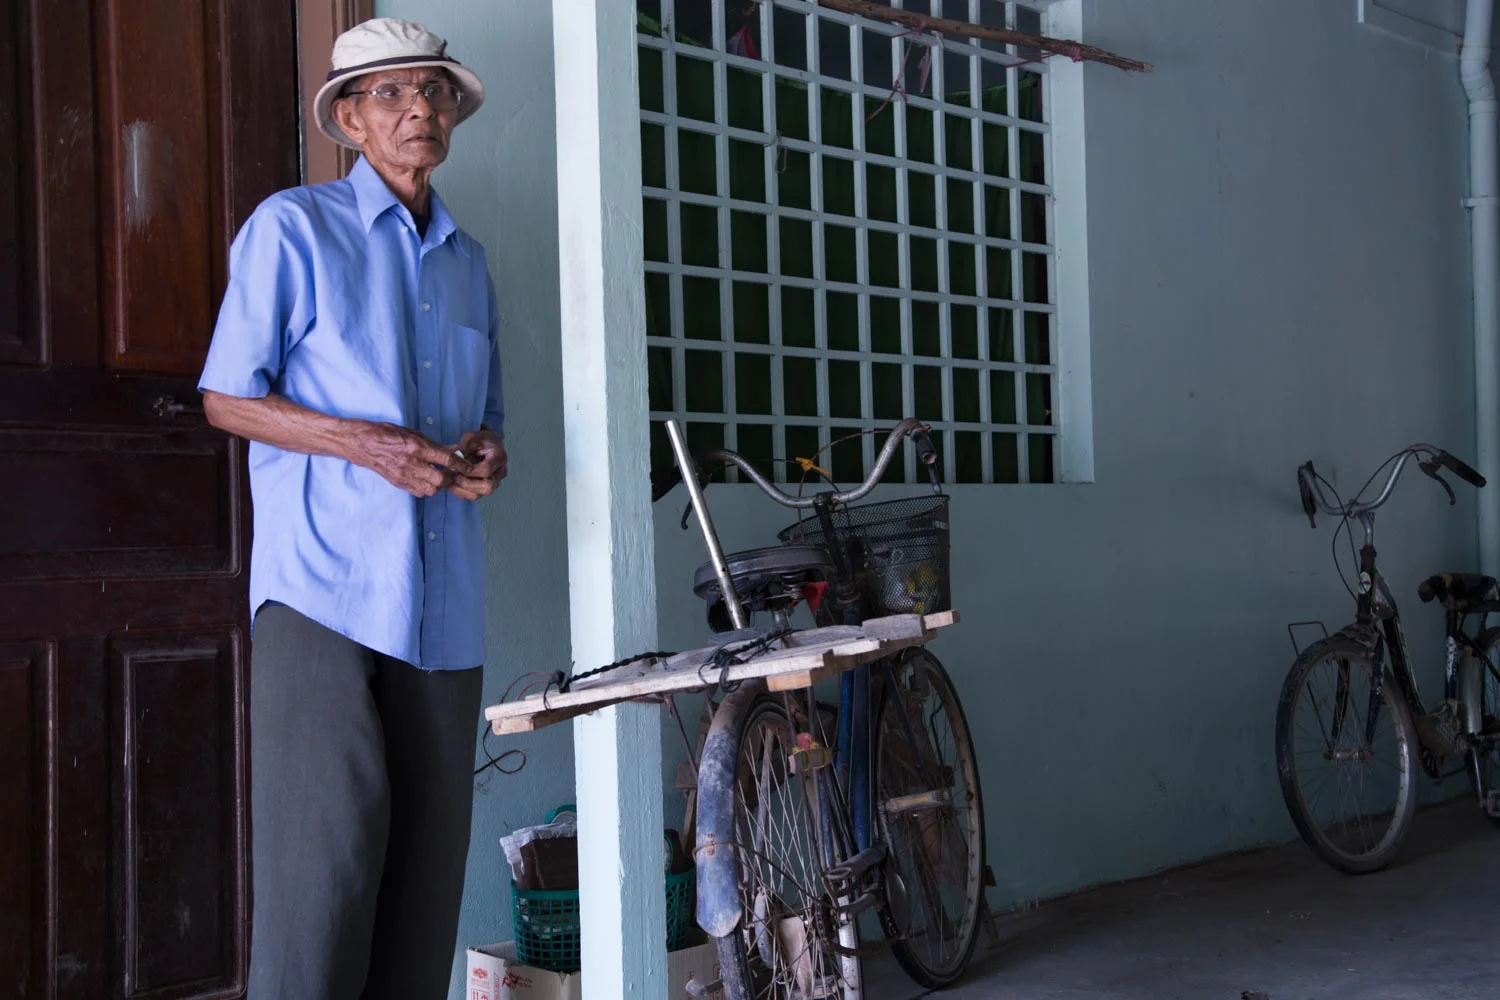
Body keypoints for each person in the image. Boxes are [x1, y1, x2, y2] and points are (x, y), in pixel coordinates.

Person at [197, 17, 503, 999]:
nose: (421, 109)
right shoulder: (292, 227)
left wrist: (487, 458)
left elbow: (484, 418)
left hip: (442, 607)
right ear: (351, 121)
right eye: (391, 94)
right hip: (324, 595)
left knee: (425, 885)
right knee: (321, 877)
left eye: (435, 92)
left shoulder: (468, 263)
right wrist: (363, 442)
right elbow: (226, 397)